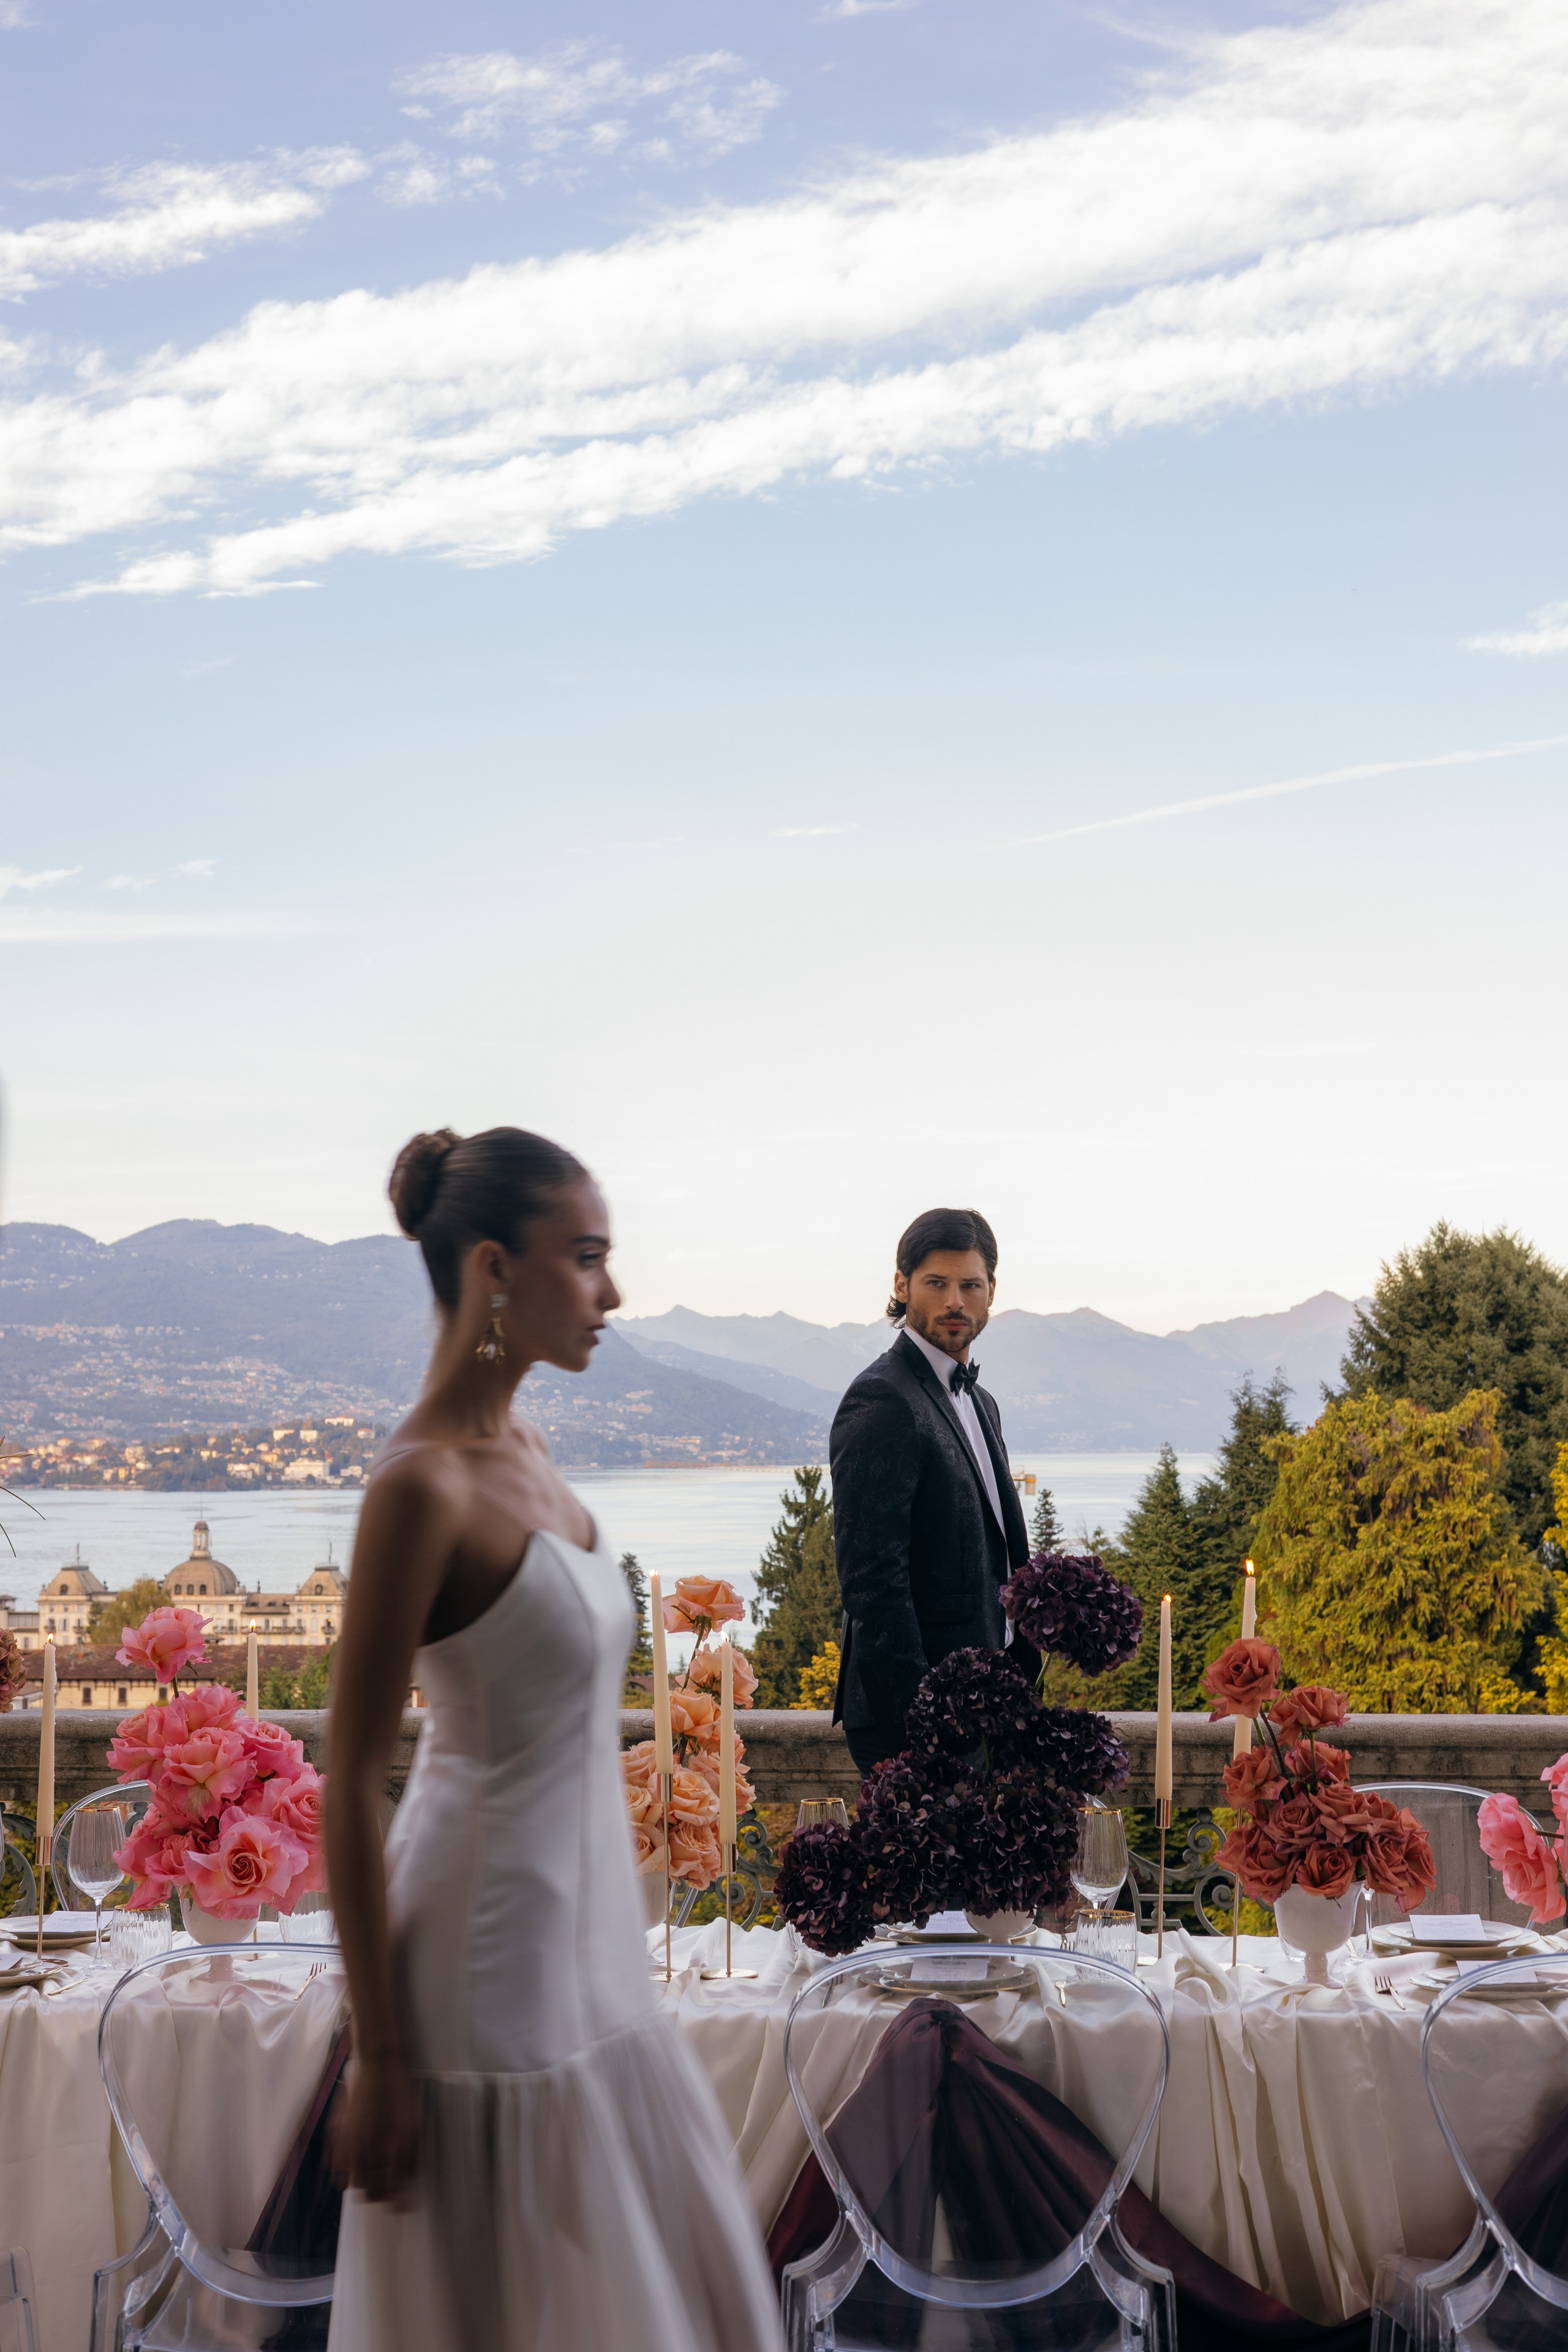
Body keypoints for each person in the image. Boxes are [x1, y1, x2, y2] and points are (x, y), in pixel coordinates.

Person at [326, 1126, 783, 2352]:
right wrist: (380, 2052)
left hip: (593, 1966)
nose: (611, 1292)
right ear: (491, 1268)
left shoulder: (526, 1450)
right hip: (483, 1985)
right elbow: (349, 1783)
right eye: (584, 1258)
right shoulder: (418, 1487)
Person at [829, 1206, 1031, 1779]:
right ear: (902, 1285)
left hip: (984, 1708)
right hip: (915, 1719)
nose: (954, 1303)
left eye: (970, 1285)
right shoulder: (881, 1399)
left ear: (991, 1290)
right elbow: (872, 1583)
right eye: (936, 1284)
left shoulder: (981, 1401)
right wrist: (924, 1722)